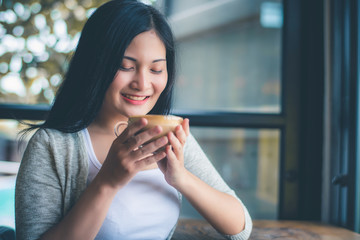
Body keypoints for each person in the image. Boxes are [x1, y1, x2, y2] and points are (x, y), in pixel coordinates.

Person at [15, 0, 252, 239]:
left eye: (156, 69)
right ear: (95, 65)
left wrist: (181, 178)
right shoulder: (52, 146)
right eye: (125, 66)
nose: (142, 84)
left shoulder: (168, 133)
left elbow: (240, 229)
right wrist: (107, 182)